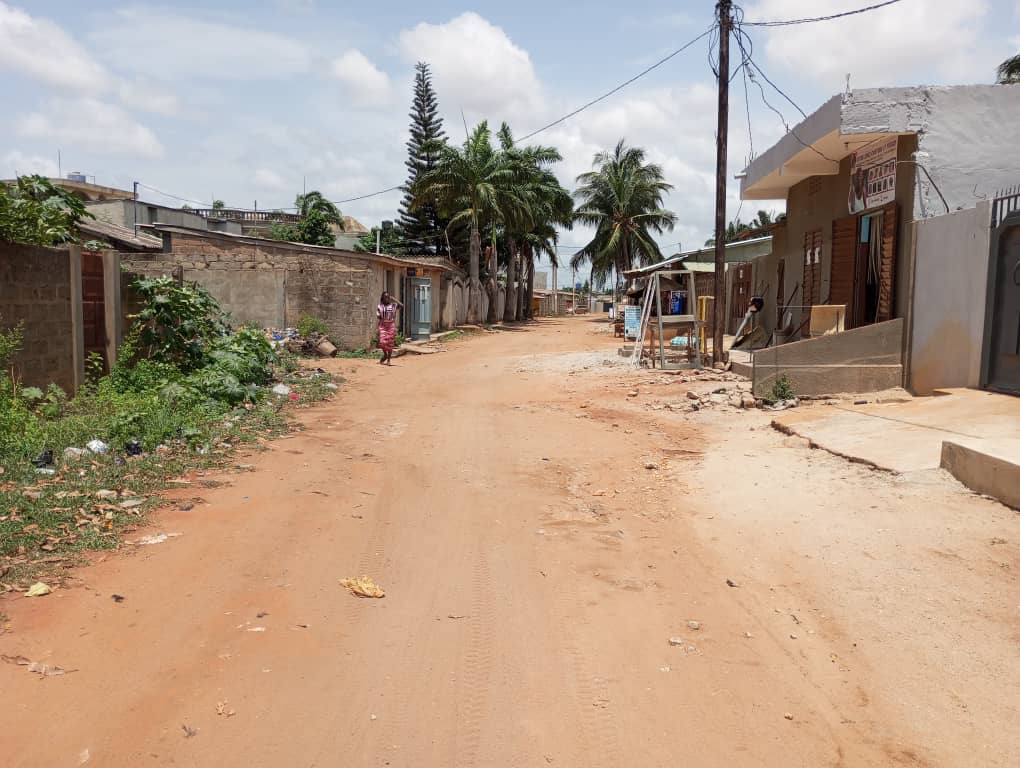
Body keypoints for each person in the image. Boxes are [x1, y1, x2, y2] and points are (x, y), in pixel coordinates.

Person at [376, 291, 403, 365]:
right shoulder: (380, 306)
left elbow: (401, 305)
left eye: (388, 297)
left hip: (391, 325)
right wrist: (378, 327)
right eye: (385, 297)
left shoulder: (393, 305)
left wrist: (394, 299)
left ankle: (388, 360)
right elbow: (379, 317)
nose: (387, 298)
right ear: (382, 298)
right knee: (382, 342)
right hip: (383, 325)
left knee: (390, 343)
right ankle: (385, 354)